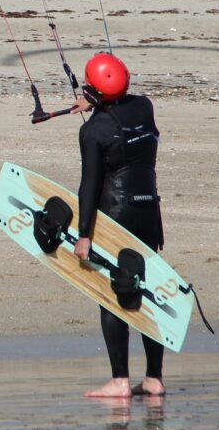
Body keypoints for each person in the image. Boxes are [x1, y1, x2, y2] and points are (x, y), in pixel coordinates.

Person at [71, 52, 167, 398]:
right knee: (146, 287)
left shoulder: (92, 131)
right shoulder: (144, 106)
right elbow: (122, 114)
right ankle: (154, 379)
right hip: (149, 212)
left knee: (113, 295)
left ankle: (120, 381)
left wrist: (84, 234)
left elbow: (90, 184)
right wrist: (99, 101)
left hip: (116, 215)